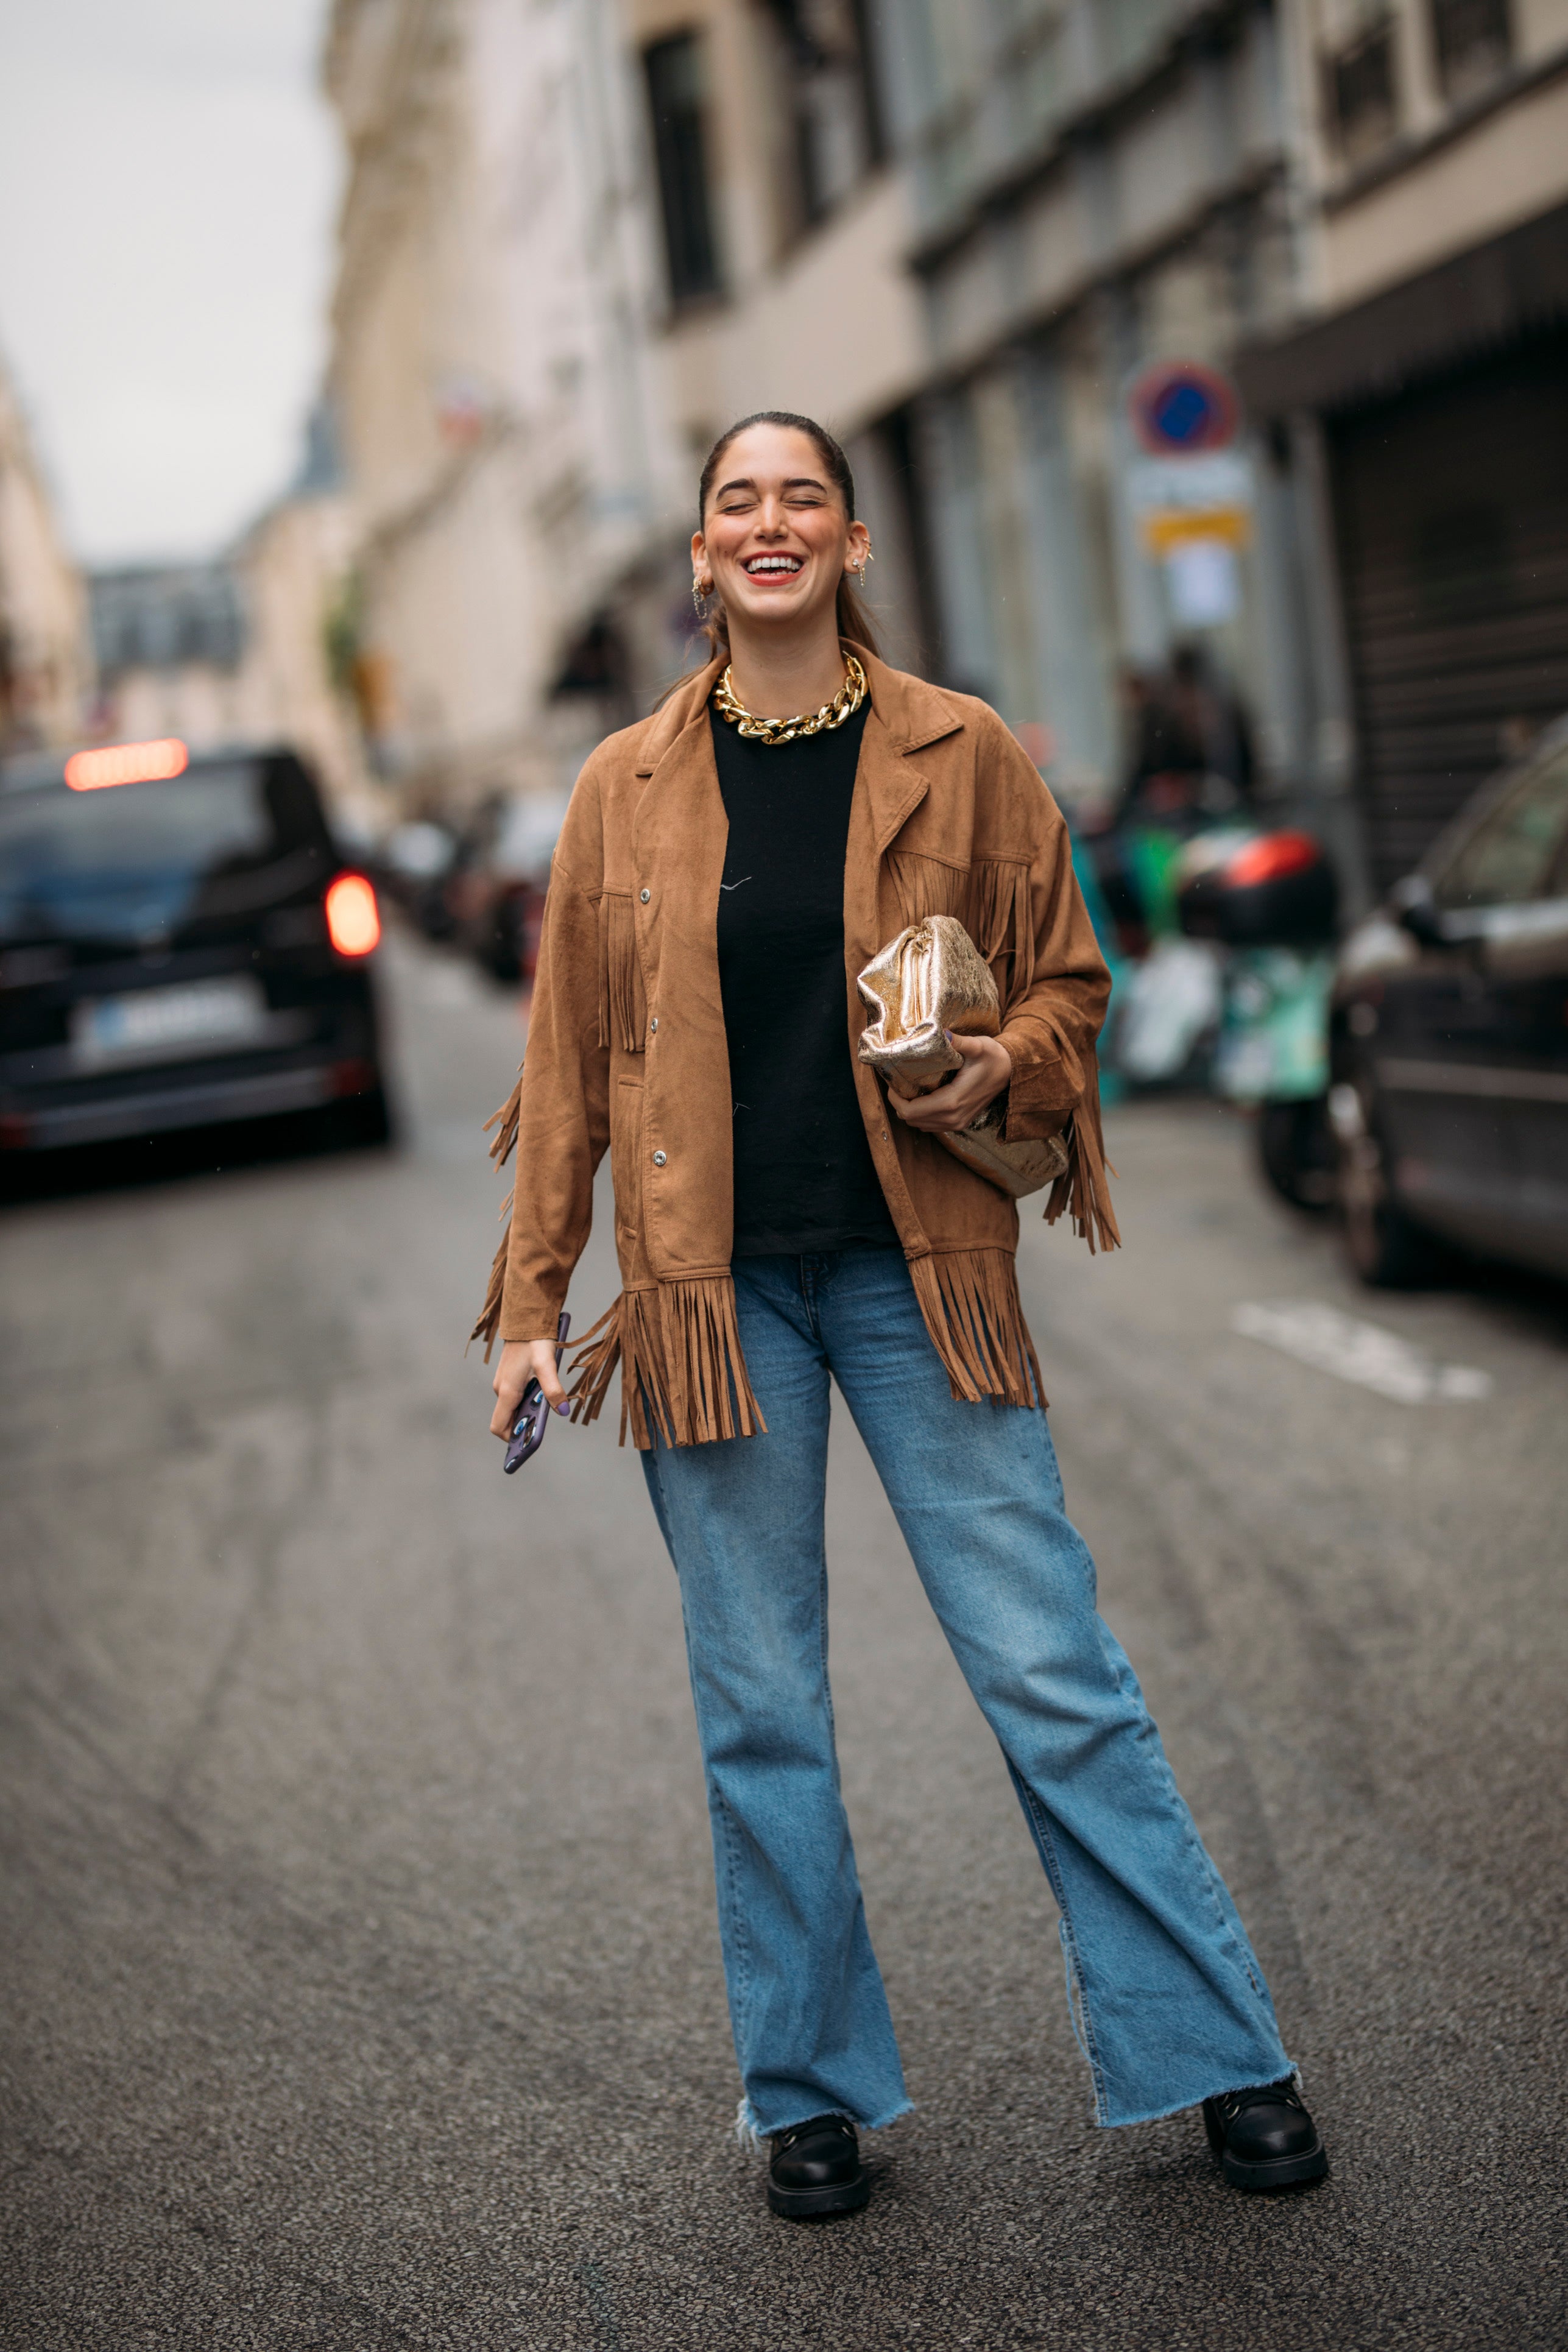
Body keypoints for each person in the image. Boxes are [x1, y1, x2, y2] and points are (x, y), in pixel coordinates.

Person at [477, 412, 1327, 2218]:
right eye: (735, 501)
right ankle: (806, 2087)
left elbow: (1072, 984)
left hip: (916, 1270)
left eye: (800, 495)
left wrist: (1001, 1070)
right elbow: (566, 1068)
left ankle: (1218, 2053)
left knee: (1050, 1669)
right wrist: (533, 1303)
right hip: (710, 1302)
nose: (767, 522)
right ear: (702, 557)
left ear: (852, 541)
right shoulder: (621, 788)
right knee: (762, 1702)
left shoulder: (966, 750)